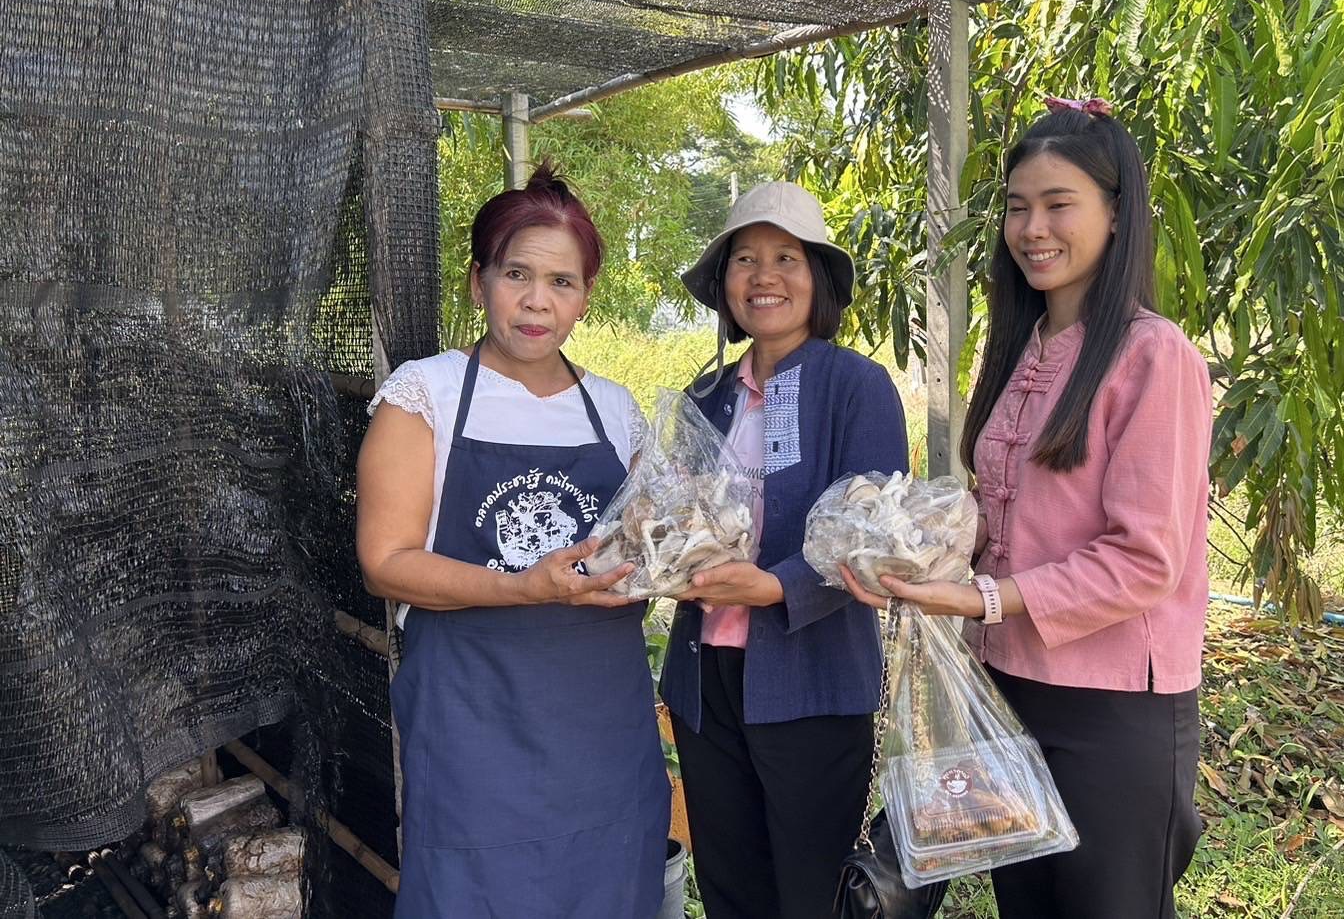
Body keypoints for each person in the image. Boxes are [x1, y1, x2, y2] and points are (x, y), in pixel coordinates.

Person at [844, 98, 1212, 919]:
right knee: (1029, 904)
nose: (1031, 228)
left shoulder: (1155, 355)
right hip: (1008, 684)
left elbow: (1144, 558)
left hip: (1114, 705)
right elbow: (1005, 514)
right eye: (1016, 207)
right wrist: (919, 551)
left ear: (1115, 216)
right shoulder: (1021, 349)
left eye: (1057, 205)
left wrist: (975, 597)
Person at [356, 163, 667, 918]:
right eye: (516, 274)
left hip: (600, 717)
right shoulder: (422, 395)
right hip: (475, 719)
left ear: (586, 298)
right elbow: (384, 565)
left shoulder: (613, 409)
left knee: (608, 887)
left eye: (562, 282)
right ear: (477, 281)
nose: (537, 301)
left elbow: (646, 542)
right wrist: (521, 585)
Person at [660, 181, 909, 919]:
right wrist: (665, 555)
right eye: (744, 259)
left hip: (812, 678)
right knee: (731, 882)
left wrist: (774, 588)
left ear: (818, 279)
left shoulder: (855, 387)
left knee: (811, 888)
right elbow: (680, 516)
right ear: (723, 283)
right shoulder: (706, 396)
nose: (762, 276)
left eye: (785, 258)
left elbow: (873, 537)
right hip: (706, 680)